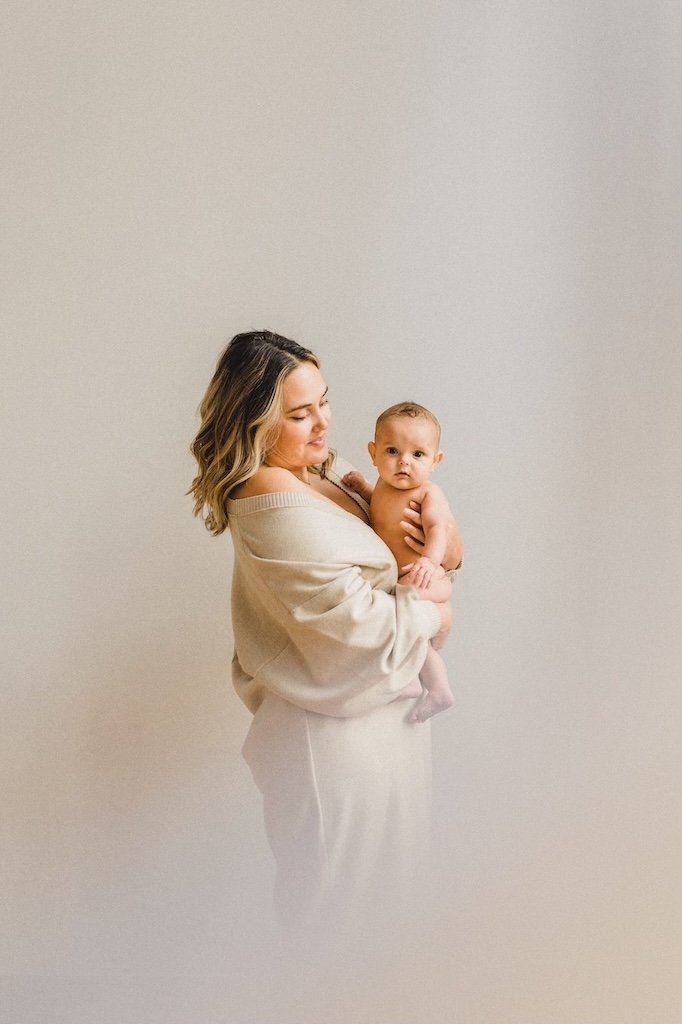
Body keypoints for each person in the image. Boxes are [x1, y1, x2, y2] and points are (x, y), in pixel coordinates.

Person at [188, 330, 463, 947]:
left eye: (324, 402)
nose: (322, 424)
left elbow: (439, 549)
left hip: (384, 729)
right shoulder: (270, 502)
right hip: (332, 744)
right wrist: (437, 613)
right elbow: (360, 628)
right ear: (254, 422)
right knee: (338, 930)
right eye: (298, 413)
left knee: (387, 932)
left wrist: (437, 572)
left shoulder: (323, 473)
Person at [342, 401, 459, 724]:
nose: (404, 462)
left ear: (436, 461)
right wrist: (362, 488)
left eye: (418, 455)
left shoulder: (428, 494)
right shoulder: (383, 485)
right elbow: (378, 507)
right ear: (374, 453)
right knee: (409, 631)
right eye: (392, 451)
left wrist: (429, 561)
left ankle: (431, 688)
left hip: (425, 577)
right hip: (408, 579)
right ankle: (419, 683)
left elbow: (438, 530)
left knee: (396, 610)